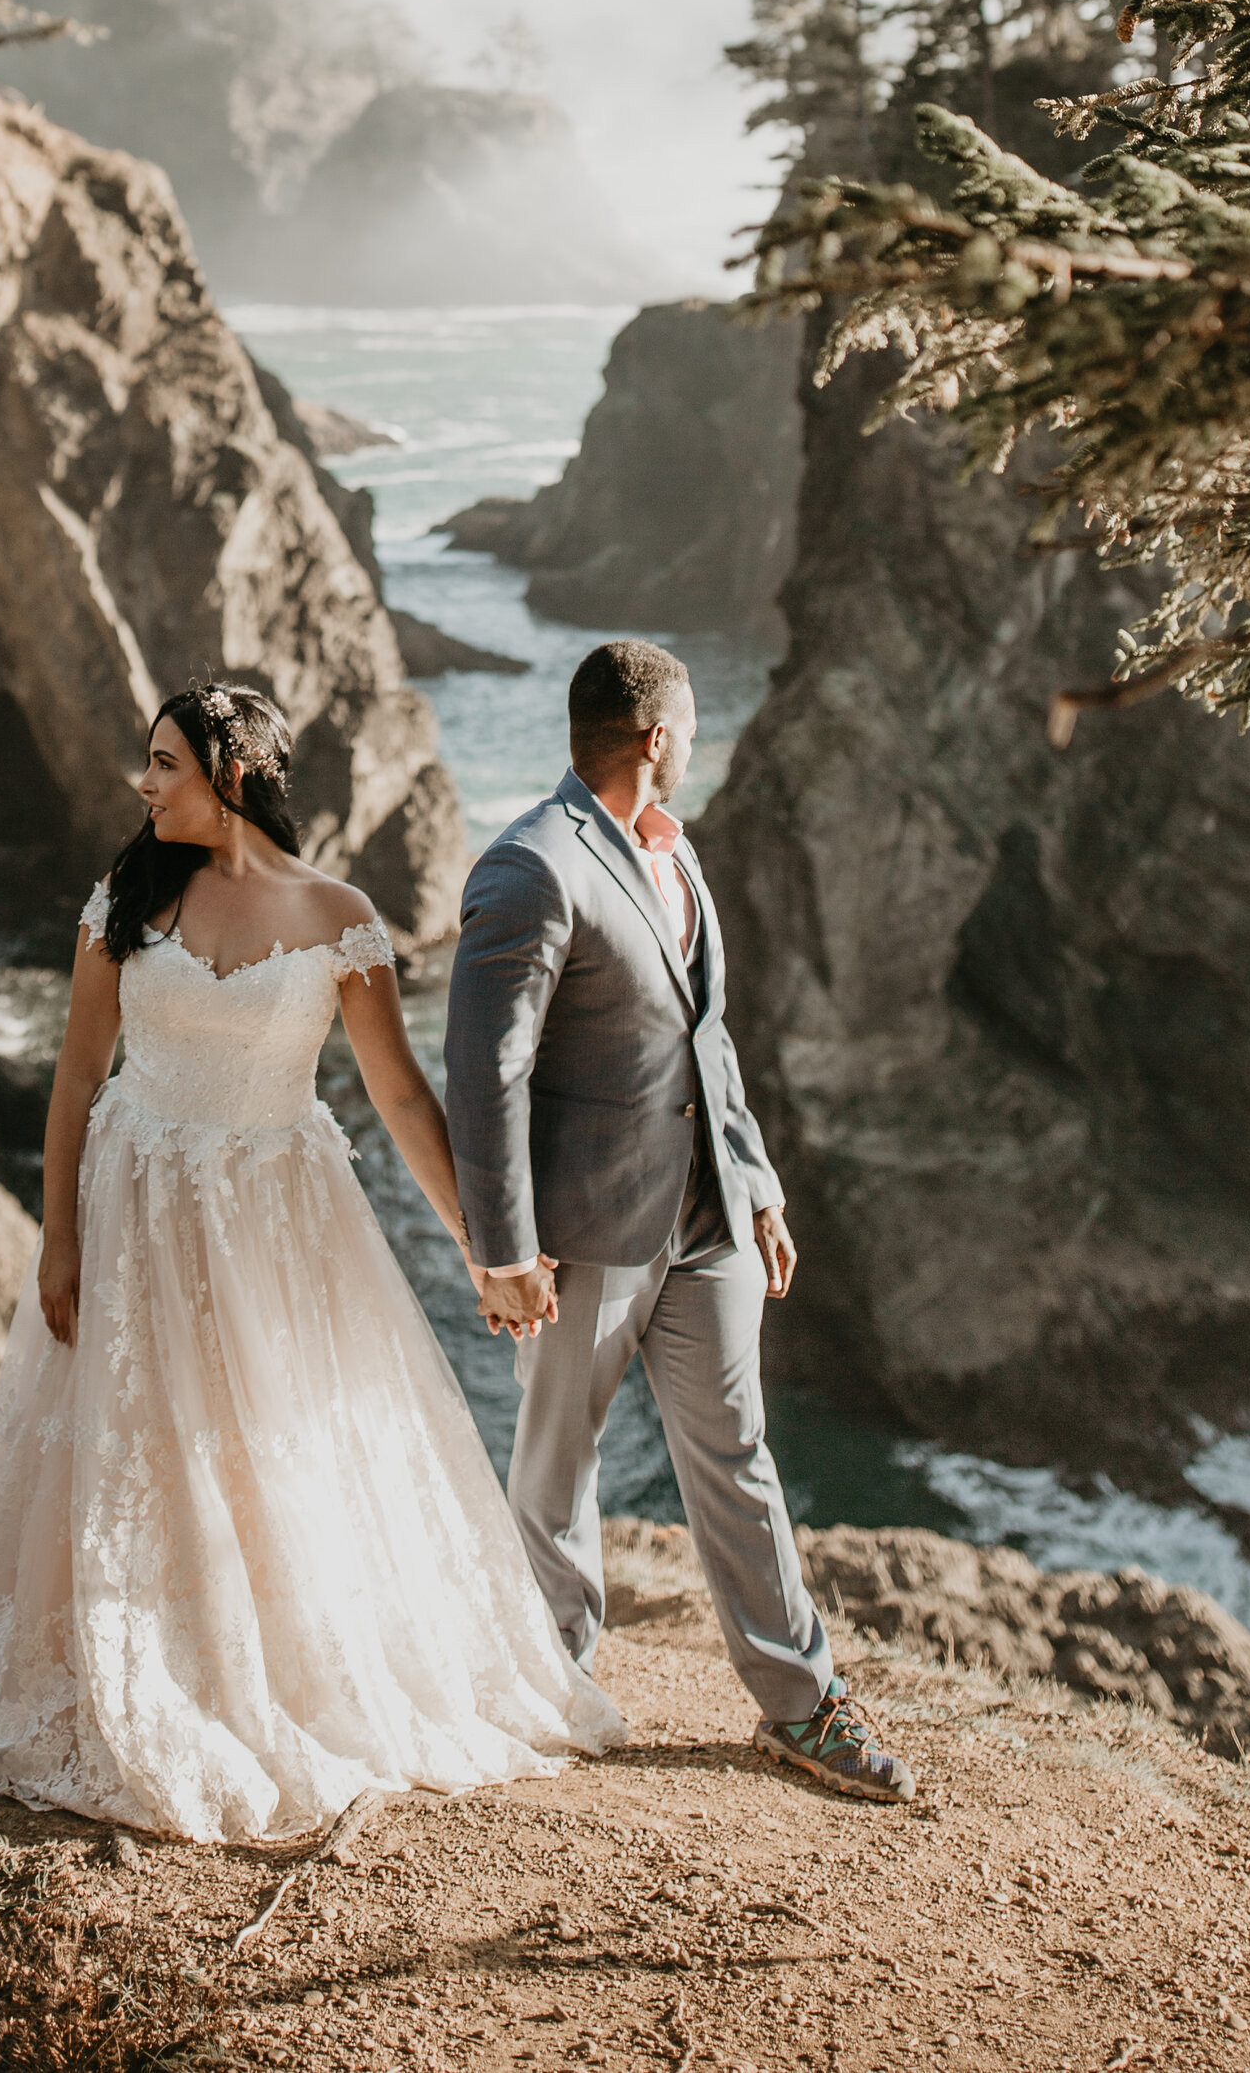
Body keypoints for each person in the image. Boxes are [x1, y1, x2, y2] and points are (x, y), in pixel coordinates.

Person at [0, 674, 621, 1841]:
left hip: (280, 1216)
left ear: (232, 775)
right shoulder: (126, 899)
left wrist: (489, 1249)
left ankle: (255, 1650)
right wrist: (58, 1239)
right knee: (137, 1433)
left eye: (166, 765)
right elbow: (79, 1077)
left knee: (267, 1436)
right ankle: (124, 1638)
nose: (144, 784)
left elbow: (396, 1094)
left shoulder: (338, 916)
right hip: (137, 1196)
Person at [443, 635, 916, 1805]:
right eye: (693, 729)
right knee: (555, 1471)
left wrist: (754, 1184)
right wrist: (500, 1249)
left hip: (705, 1223)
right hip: (584, 1235)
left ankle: (802, 1706)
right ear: (656, 738)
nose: (699, 746)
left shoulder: (676, 857)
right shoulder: (527, 867)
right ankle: (547, 1687)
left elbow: (707, 1041)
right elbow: (484, 1075)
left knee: (738, 1457)